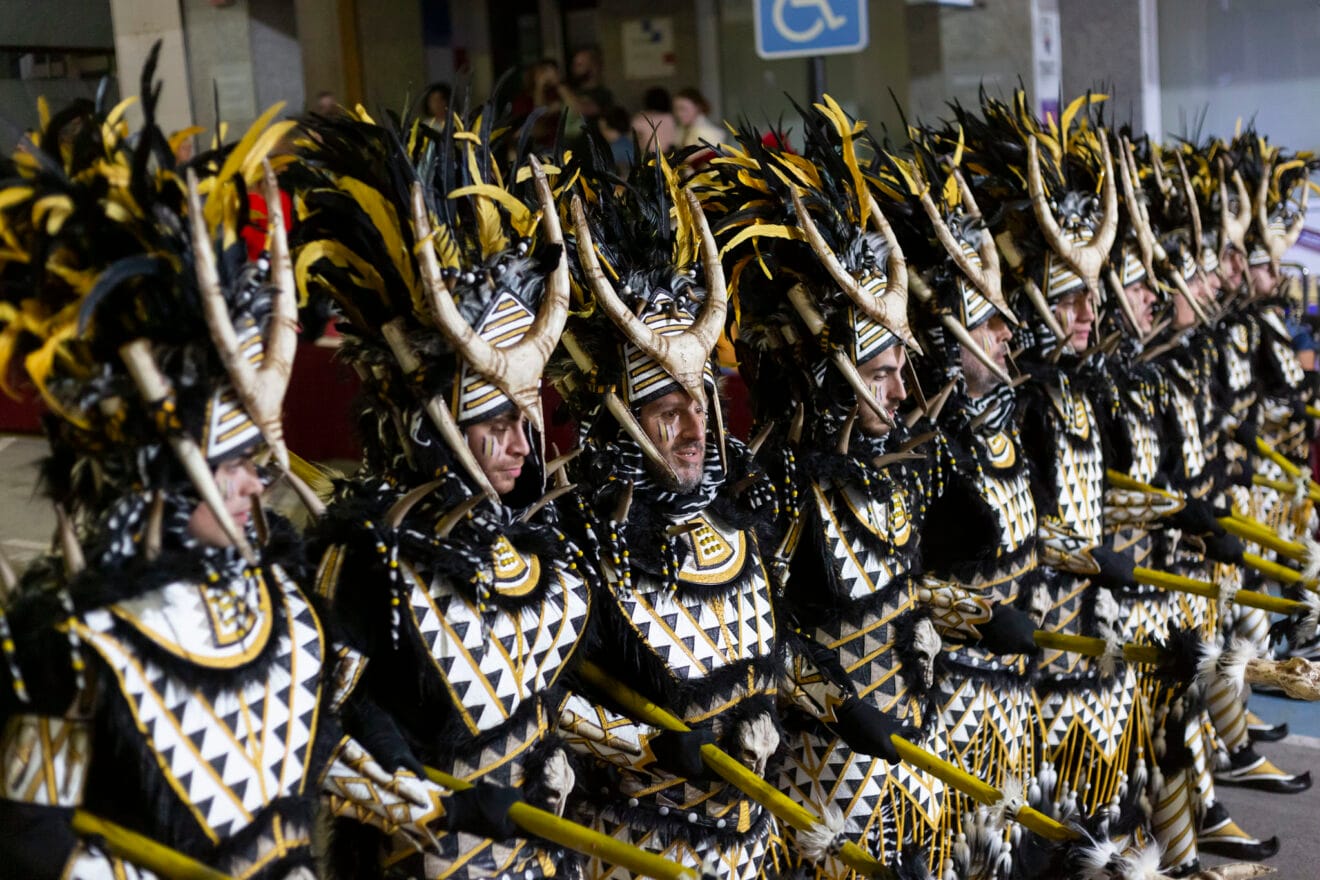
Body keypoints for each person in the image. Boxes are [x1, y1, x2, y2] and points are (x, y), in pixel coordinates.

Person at [0, 62, 462, 879]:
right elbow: (36, 842)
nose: (259, 483)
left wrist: (398, 790)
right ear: (167, 475)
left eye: (258, 460)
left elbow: (309, 745)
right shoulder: (73, 649)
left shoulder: (278, 596)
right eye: (238, 463)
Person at [295, 107, 595, 880]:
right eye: (495, 421)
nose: (523, 444)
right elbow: (326, 725)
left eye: (526, 417)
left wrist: (568, 741)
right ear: (434, 426)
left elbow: (539, 693)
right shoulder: (370, 556)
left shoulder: (535, 533)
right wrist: (433, 792)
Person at [673, 87, 726, 166]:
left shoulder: (709, 132)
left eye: (683, 109)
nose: (678, 114)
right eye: (676, 109)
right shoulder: (684, 130)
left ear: (697, 107)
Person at [632, 86, 676, 155]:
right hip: (672, 156)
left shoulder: (639, 119)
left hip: (649, 157)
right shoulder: (671, 118)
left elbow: (636, 143)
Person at [598, 104, 635, 174]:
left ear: (613, 128)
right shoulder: (630, 141)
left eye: (604, 129)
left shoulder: (616, 149)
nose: (602, 133)